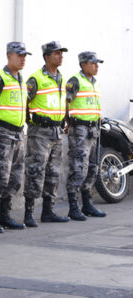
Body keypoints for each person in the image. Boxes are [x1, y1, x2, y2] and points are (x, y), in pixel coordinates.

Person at [23, 41, 70, 227]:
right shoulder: (36, 79)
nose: (61, 56)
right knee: (35, 171)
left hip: (57, 131)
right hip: (40, 132)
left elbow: (64, 101)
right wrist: (30, 122)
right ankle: (28, 212)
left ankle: (48, 211)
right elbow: (24, 102)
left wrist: (66, 120)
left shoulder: (61, 78)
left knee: (53, 172)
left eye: (61, 53)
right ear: (47, 57)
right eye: (57, 53)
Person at [0, 41, 30, 233]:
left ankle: (5, 215)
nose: (22, 59)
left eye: (24, 56)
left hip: (18, 134)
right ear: (9, 56)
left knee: (14, 178)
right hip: (2, 134)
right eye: (19, 55)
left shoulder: (20, 79)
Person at [65, 51, 106, 220]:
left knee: (93, 167)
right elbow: (65, 102)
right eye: (93, 63)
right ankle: (73, 206)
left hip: (94, 129)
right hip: (80, 129)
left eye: (97, 63)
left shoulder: (94, 82)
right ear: (83, 64)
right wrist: (68, 123)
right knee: (78, 167)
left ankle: (87, 203)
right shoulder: (75, 81)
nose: (96, 66)